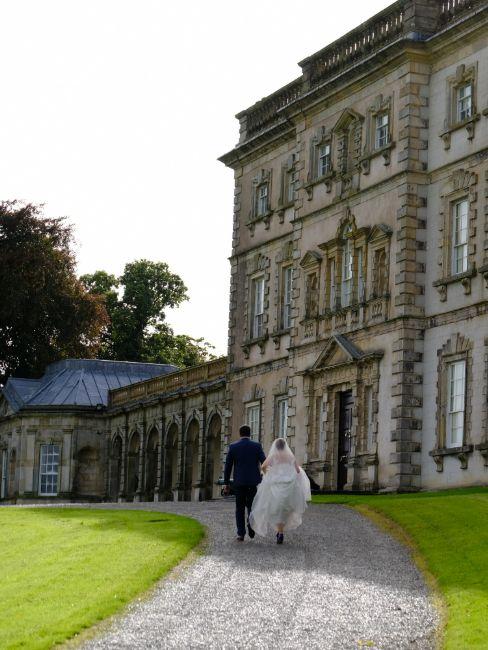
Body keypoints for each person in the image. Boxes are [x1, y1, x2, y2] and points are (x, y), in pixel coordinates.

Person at [249, 438, 311, 544]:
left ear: (276, 446)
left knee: (276, 510)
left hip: (276, 485)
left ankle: (280, 532)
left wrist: (268, 473)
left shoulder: (273, 456)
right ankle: (280, 532)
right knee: (285, 510)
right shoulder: (290, 456)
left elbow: (263, 466)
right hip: (289, 485)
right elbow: (297, 470)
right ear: (285, 446)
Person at [223, 424, 266, 541]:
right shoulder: (257, 446)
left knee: (239, 507)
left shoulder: (233, 447)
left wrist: (226, 483)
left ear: (240, 434)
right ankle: (251, 525)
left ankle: (240, 533)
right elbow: (264, 462)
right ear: (250, 434)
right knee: (252, 506)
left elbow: (228, 466)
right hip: (253, 482)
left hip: (239, 482)